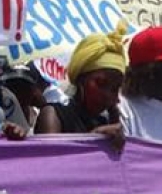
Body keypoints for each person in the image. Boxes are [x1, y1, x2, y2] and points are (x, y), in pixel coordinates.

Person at [34, 23, 127, 151]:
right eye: (101, 84)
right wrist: (92, 139)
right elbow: (49, 164)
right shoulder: (54, 115)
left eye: (115, 89)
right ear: (80, 80)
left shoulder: (108, 125)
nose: (109, 95)